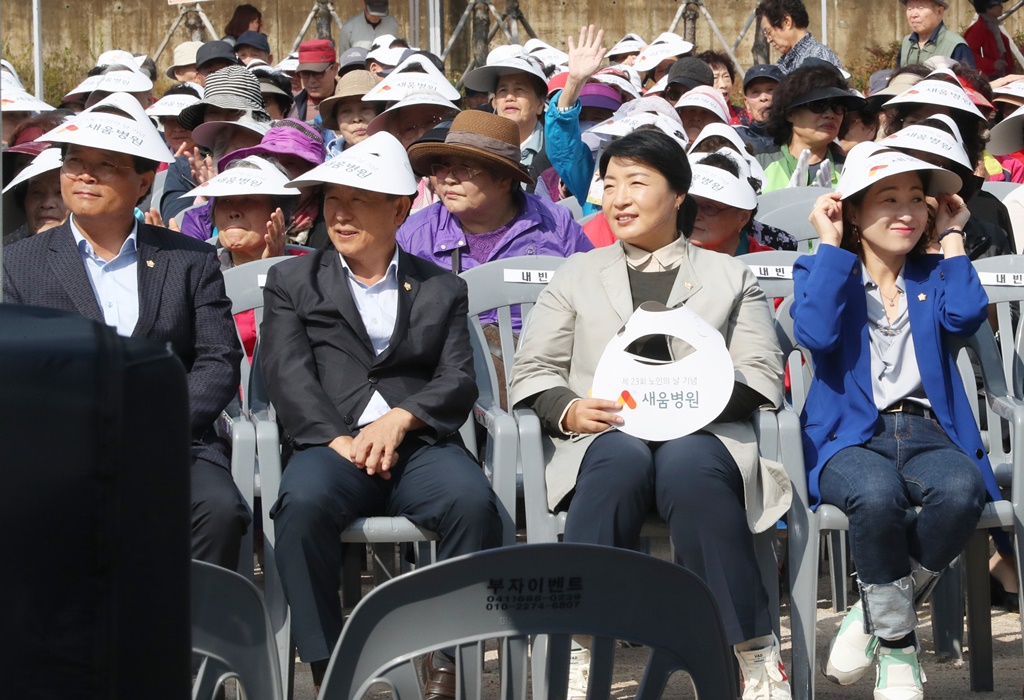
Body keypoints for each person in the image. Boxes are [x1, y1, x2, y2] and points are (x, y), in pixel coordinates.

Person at [508, 129, 791, 700]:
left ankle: (752, 652)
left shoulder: (731, 276)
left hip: (702, 432)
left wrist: (690, 404)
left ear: (679, 194)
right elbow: (533, 368)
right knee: (617, 463)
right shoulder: (576, 274)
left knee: (691, 472)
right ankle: (581, 642)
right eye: (609, 184)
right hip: (606, 431)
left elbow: (759, 372)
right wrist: (566, 408)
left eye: (637, 182)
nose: (618, 198)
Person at [260, 130, 503, 695]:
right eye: (332, 200)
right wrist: (333, 439)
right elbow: (285, 370)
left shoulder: (442, 286)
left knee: (472, 503)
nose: (340, 215)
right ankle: (327, 667)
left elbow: (458, 378)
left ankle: (445, 660)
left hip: (418, 446)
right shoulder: (293, 280)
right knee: (300, 508)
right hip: (332, 445)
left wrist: (401, 418)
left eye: (358, 201)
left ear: (399, 209)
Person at [2, 93, 250, 571]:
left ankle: (191, 642)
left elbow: (217, 359)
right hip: (64, 448)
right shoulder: (22, 264)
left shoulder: (189, 258)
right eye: (74, 163)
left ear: (142, 182)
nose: (85, 176)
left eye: (105, 166)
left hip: (175, 443)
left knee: (217, 512)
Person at [793, 141, 997, 699]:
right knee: (875, 496)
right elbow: (815, 334)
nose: (906, 212)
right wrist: (832, 244)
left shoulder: (936, 273)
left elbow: (967, 314)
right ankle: (901, 653)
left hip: (930, 430)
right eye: (887, 200)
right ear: (853, 210)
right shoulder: (822, 267)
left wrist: (953, 235)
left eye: (916, 199)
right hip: (849, 437)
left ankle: (873, 613)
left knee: (961, 491)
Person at [398, 109, 592, 298]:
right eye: (441, 168)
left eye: (463, 168)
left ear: (504, 179)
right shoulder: (414, 236)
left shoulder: (556, 226)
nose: (448, 179)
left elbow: (594, 291)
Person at [760, 61, 864, 191]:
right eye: (818, 105)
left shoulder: (852, 172)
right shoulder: (758, 166)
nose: (830, 114)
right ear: (790, 113)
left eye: (837, 107)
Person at [462, 50, 553, 189]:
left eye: (519, 89)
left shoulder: (556, 150)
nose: (510, 97)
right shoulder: (476, 148)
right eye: (503, 90)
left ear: (540, 104)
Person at [755, 0, 843, 74]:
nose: (768, 40)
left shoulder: (819, 59)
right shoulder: (786, 62)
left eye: (768, 32)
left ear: (786, 22)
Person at [2, 149, 67, 245]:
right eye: (37, 192)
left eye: (60, 192)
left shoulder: (93, 258)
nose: (47, 204)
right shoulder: (10, 257)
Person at [319, 69, 381, 157]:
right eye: (346, 111)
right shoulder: (329, 161)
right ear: (336, 119)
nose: (356, 119)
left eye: (365, 108)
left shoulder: (397, 156)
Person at [897, 0, 974, 67]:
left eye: (921, 8)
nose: (913, 15)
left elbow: (968, 82)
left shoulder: (956, 46)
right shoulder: (906, 43)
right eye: (910, 8)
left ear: (939, 11)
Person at [736, 64, 783, 154]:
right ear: (747, 103)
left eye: (771, 89)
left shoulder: (798, 136)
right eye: (756, 92)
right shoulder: (737, 140)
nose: (764, 97)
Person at [965, 0, 1017, 80]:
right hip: (987, 79)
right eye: (998, 4)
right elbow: (968, 55)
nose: (1001, 6)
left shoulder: (993, 27)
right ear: (987, 7)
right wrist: (992, 64)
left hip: (1002, 76)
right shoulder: (977, 30)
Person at [293, 39, 339, 127]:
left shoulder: (351, 103)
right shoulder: (289, 106)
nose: (311, 80)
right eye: (305, 73)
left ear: (335, 68)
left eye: (318, 73)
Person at [697, 49, 748, 125]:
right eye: (715, 78)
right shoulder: (693, 118)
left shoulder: (746, 118)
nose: (723, 85)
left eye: (726, 77)